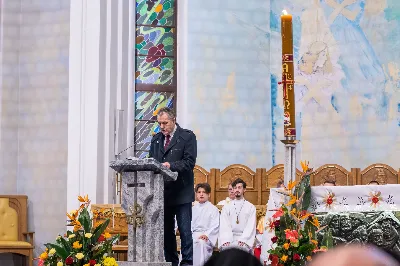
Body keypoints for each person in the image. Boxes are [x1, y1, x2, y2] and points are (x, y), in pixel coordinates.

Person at [149, 107, 197, 266]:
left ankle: (187, 263)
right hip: (163, 193)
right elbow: (152, 163)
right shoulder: (156, 140)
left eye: (165, 123)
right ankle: (171, 262)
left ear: (173, 120)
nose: (162, 127)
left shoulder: (187, 137)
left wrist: (171, 165)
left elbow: (189, 162)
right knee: (166, 233)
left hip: (182, 192)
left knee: (184, 231)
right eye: (159, 123)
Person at [218, 178, 256, 253]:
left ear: (244, 190)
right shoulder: (227, 207)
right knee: (227, 249)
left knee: (241, 251)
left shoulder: (250, 207)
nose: (236, 190)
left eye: (239, 187)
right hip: (229, 237)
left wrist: (244, 240)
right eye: (235, 188)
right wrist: (226, 239)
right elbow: (224, 225)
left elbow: (250, 226)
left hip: (244, 238)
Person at [192, 183, 220, 266]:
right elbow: (188, 224)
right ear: (196, 194)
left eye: (204, 192)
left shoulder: (213, 209)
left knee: (201, 243)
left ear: (209, 194)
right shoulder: (192, 209)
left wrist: (207, 235)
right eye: (199, 192)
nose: (201, 194)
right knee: (187, 243)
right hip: (193, 234)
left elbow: (215, 225)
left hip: (206, 236)